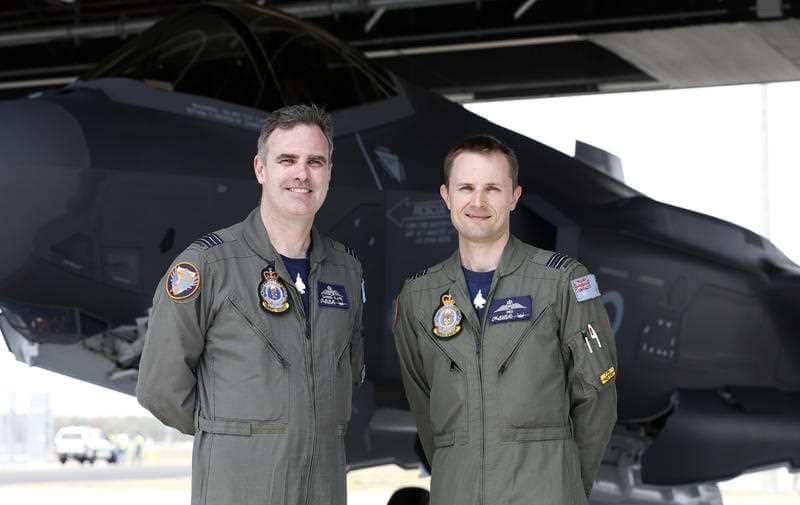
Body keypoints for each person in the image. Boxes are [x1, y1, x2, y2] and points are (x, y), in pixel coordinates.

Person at [137, 104, 365, 505]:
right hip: (238, 488)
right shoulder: (208, 265)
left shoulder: (345, 269)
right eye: (287, 160)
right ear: (261, 169)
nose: (302, 174)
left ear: (329, 171)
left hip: (323, 491)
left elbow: (349, 374)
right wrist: (237, 434)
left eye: (315, 161)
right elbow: (160, 387)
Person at [392, 135, 617, 505]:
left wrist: (567, 488)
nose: (478, 202)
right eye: (466, 187)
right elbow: (424, 408)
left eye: (492, 188)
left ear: (513, 196)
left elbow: (597, 398)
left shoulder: (561, 282)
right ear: (447, 195)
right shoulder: (419, 296)